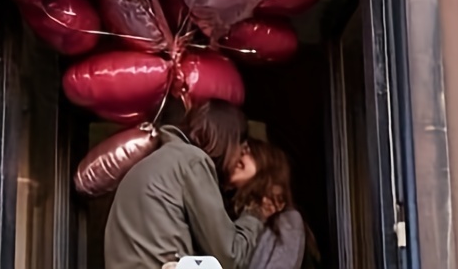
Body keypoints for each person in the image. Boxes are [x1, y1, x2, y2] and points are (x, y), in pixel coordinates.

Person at [104, 100, 271, 269]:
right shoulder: (192, 161)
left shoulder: (153, 163)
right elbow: (229, 256)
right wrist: (255, 214)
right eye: (241, 151)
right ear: (228, 142)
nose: (237, 160)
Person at [230, 139, 321, 269]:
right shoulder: (233, 211)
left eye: (247, 151)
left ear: (265, 163)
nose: (237, 157)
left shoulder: (287, 219)